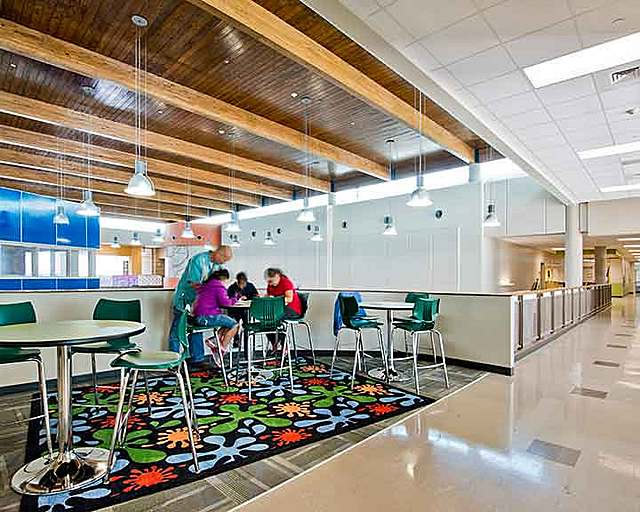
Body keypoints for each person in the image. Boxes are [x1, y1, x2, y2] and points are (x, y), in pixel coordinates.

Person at [168, 245, 232, 367]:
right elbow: (194, 283)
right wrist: (209, 293)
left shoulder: (217, 266)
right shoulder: (198, 260)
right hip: (185, 299)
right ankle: (172, 360)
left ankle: (197, 359)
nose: (224, 263)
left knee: (197, 329)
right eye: (224, 259)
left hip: (199, 303)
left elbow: (216, 284)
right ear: (219, 253)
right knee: (177, 330)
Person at [192, 269, 239, 366]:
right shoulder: (218, 286)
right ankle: (221, 349)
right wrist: (235, 299)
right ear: (224, 279)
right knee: (235, 325)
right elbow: (225, 303)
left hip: (199, 316)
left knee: (228, 323)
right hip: (208, 316)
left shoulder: (206, 285)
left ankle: (214, 340)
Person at [265, 267, 302, 349]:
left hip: (292, 309)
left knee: (275, 317)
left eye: (272, 281)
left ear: (278, 276)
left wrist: (275, 300)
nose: (270, 283)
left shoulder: (286, 282)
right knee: (265, 319)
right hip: (278, 309)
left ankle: (284, 345)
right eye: (269, 281)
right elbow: (269, 296)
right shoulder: (270, 285)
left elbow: (289, 298)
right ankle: (274, 343)